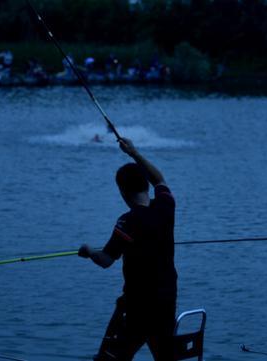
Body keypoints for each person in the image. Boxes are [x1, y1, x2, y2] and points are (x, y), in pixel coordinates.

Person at [79, 138, 178, 361]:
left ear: (123, 192)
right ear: (145, 185)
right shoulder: (166, 207)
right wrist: (134, 153)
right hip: (166, 304)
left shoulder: (127, 222)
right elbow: (160, 179)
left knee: (108, 358)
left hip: (138, 309)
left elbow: (105, 260)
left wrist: (89, 251)